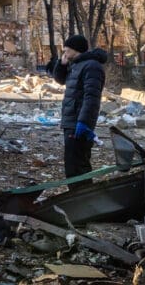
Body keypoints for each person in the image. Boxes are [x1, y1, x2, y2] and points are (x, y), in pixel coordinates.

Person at [46, 34, 106, 184]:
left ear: (76, 49)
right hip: (71, 121)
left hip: (78, 123)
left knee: (77, 167)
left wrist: (84, 122)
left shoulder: (91, 66)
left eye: (67, 49)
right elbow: (60, 80)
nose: (64, 51)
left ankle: (83, 200)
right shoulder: (76, 64)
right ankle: (80, 199)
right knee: (72, 166)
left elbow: (91, 98)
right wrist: (61, 63)